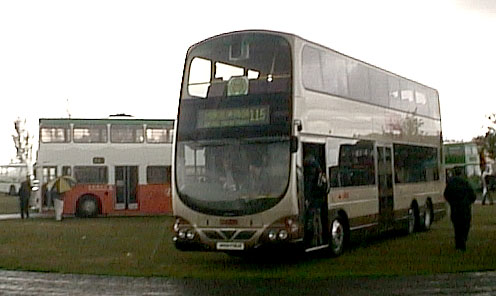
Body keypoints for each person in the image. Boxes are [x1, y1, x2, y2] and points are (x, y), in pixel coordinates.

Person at [444, 168, 476, 251]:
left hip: (455, 208)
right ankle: (463, 241)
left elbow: (446, 194)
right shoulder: (465, 183)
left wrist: (451, 202)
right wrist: (469, 202)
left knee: (457, 227)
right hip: (465, 209)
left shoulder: (451, 183)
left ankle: (458, 243)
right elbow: (473, 195)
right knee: (465, 226)